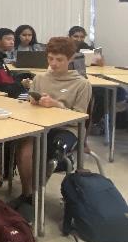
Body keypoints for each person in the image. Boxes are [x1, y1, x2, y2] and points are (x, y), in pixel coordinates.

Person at [11, 37, 92, 222]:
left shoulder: (81, 84)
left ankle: (36, 195)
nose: (53, 64)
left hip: (68, 128)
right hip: (40, 125)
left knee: (51, 151)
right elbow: (31, 105)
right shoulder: (40, 78)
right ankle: (28, 194)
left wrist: (57, 105)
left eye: (59, 59)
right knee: (25, 149)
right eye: (50, 58)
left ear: (70, 59)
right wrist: (33, 101)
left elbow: (80, 116)